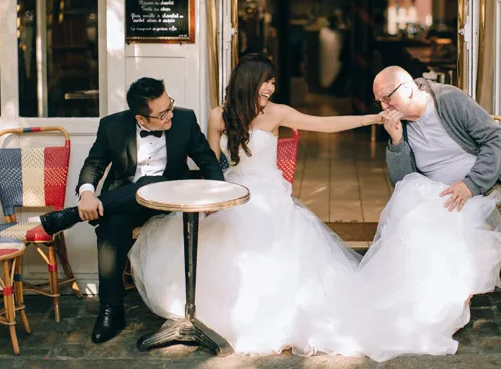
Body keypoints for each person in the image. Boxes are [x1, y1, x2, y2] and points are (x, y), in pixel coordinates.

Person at [129, 54, 381, 356]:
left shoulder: (277, 113)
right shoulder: (218, 116)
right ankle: (204, 312)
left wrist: (371, 119)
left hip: (268, 194)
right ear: (249, 81)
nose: (271, 88)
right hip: (231, 190)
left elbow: (324, 124)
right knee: (209, 237)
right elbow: (211, 163)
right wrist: (212, 196)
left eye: (273, 82)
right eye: (267, 81)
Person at [371, 66, 501, 359]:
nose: (384, 107)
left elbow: (495, 140)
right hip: (441, 200)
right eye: (379, 102)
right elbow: (402, 182)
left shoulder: (448, 100)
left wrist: (471, 184)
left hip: (488, 185)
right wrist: (397, 141)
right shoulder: (401, 122)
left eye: (387, 99)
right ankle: (436, 311)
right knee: (424, 231)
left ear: (406, 88)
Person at [37, 77, 224, 344]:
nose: (170, 113)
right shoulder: (112, 126)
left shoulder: (184, 120)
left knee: (154, 183)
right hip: (126, 203)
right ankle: (111, 310)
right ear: (141, 119)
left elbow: (207, 160)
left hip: (169, 200)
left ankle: (72, 215)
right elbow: (94, 164)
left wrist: (216, 194)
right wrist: (87, 194)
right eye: (162, 114)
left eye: (169, 105)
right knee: (111, 228)